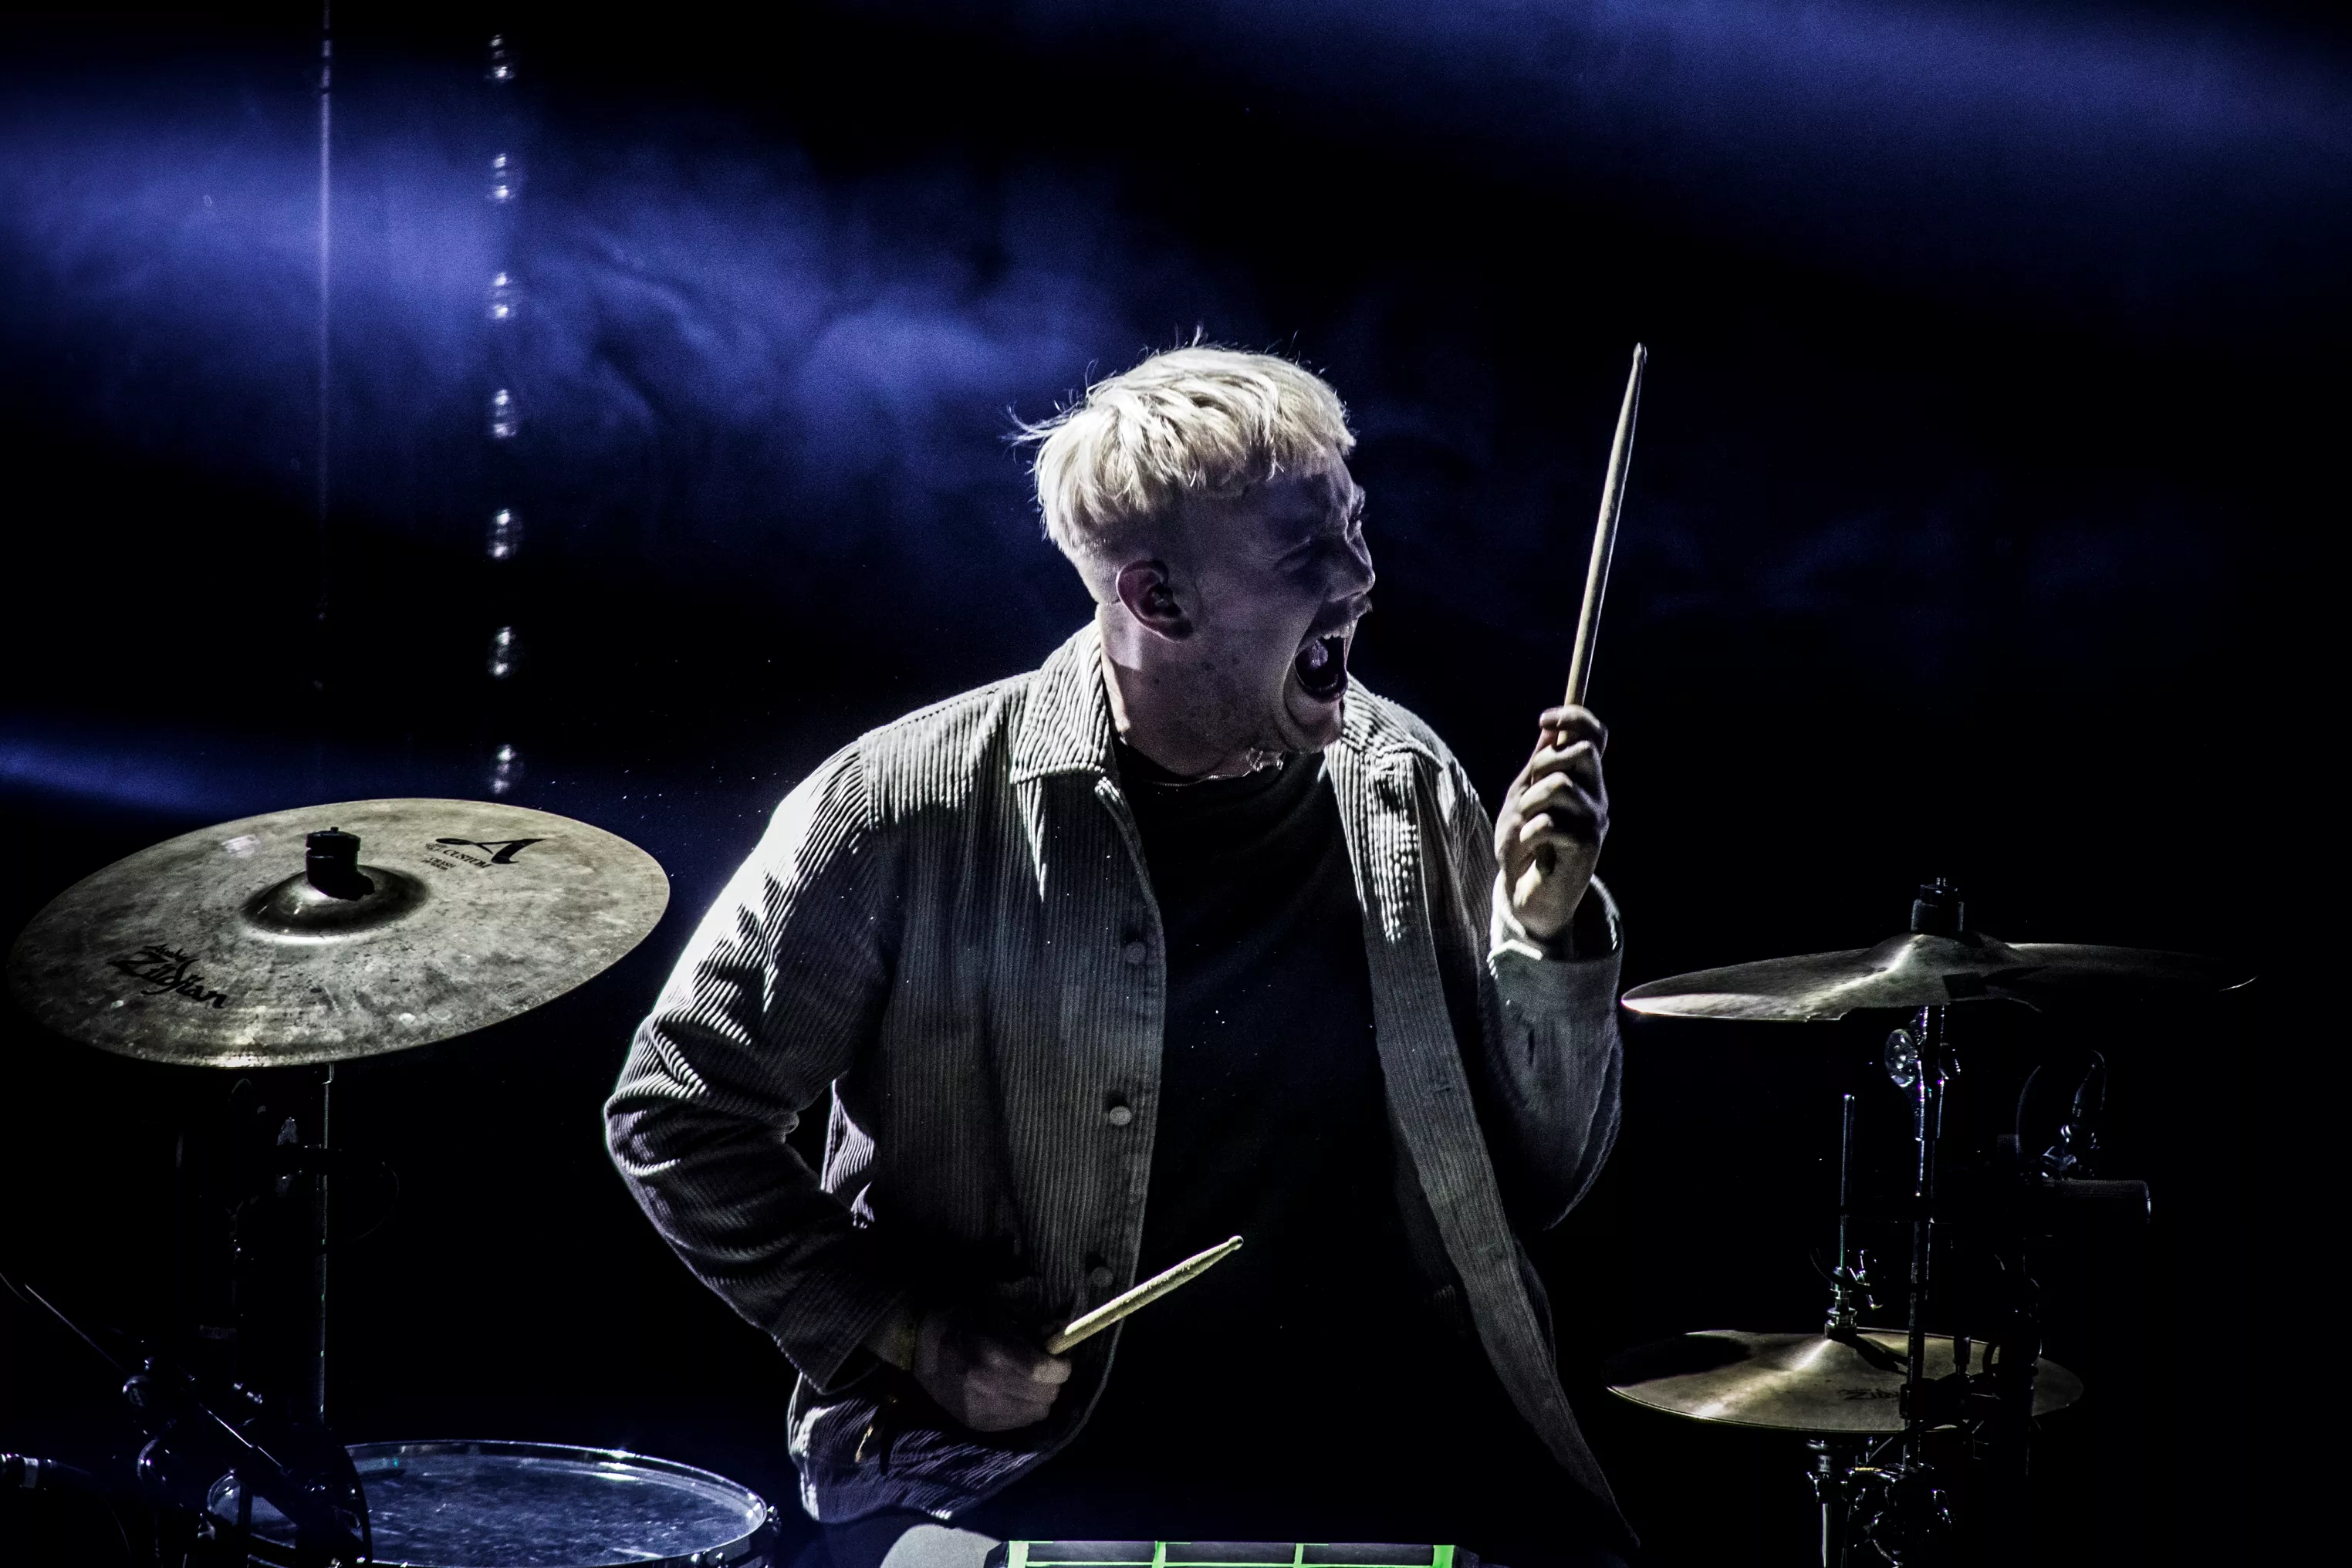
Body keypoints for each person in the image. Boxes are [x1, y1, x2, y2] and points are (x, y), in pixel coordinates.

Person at [607, 347, 1631, 1568]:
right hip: (1022, 1494)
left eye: (1355, 524)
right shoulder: (904, 806)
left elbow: (1535, 1189)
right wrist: (911, 1333)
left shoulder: (1405, 785)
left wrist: (1546, 938)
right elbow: (677, 1110)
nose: (1361, 574)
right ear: (1158, 598)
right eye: (1307, 552)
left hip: (1383, 1491)